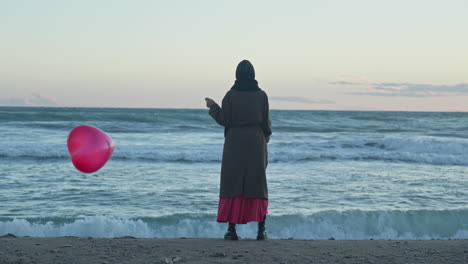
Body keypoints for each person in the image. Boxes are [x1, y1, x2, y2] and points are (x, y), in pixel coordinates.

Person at [205, 60, 272, 240]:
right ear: (253, 74)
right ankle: (261, 230)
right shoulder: (262, 96)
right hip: (256, 143)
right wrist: (264, 139)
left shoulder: (230, 95)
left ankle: (232, 230)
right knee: (257, 184)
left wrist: (213, 106)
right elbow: (266, 123)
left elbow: (224, 120)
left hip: (234, 143)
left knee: (232, 183)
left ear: (236, 75)